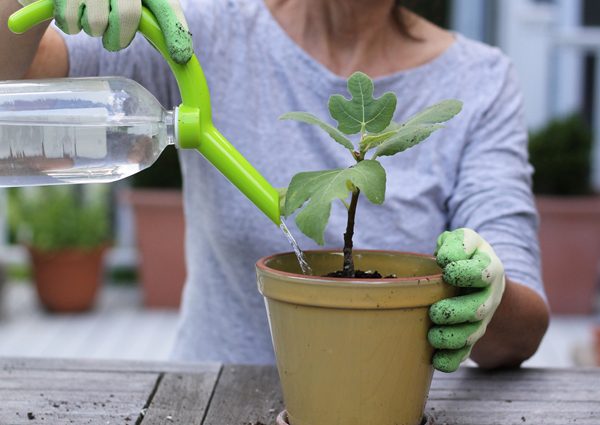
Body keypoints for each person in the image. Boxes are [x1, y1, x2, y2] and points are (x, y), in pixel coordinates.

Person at [1, 0, 549, 372]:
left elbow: (522, 331)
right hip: (209, 397)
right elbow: (15, 79)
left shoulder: (481, 80)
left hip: (398, 406)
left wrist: (486, 292)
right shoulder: (204, 29)